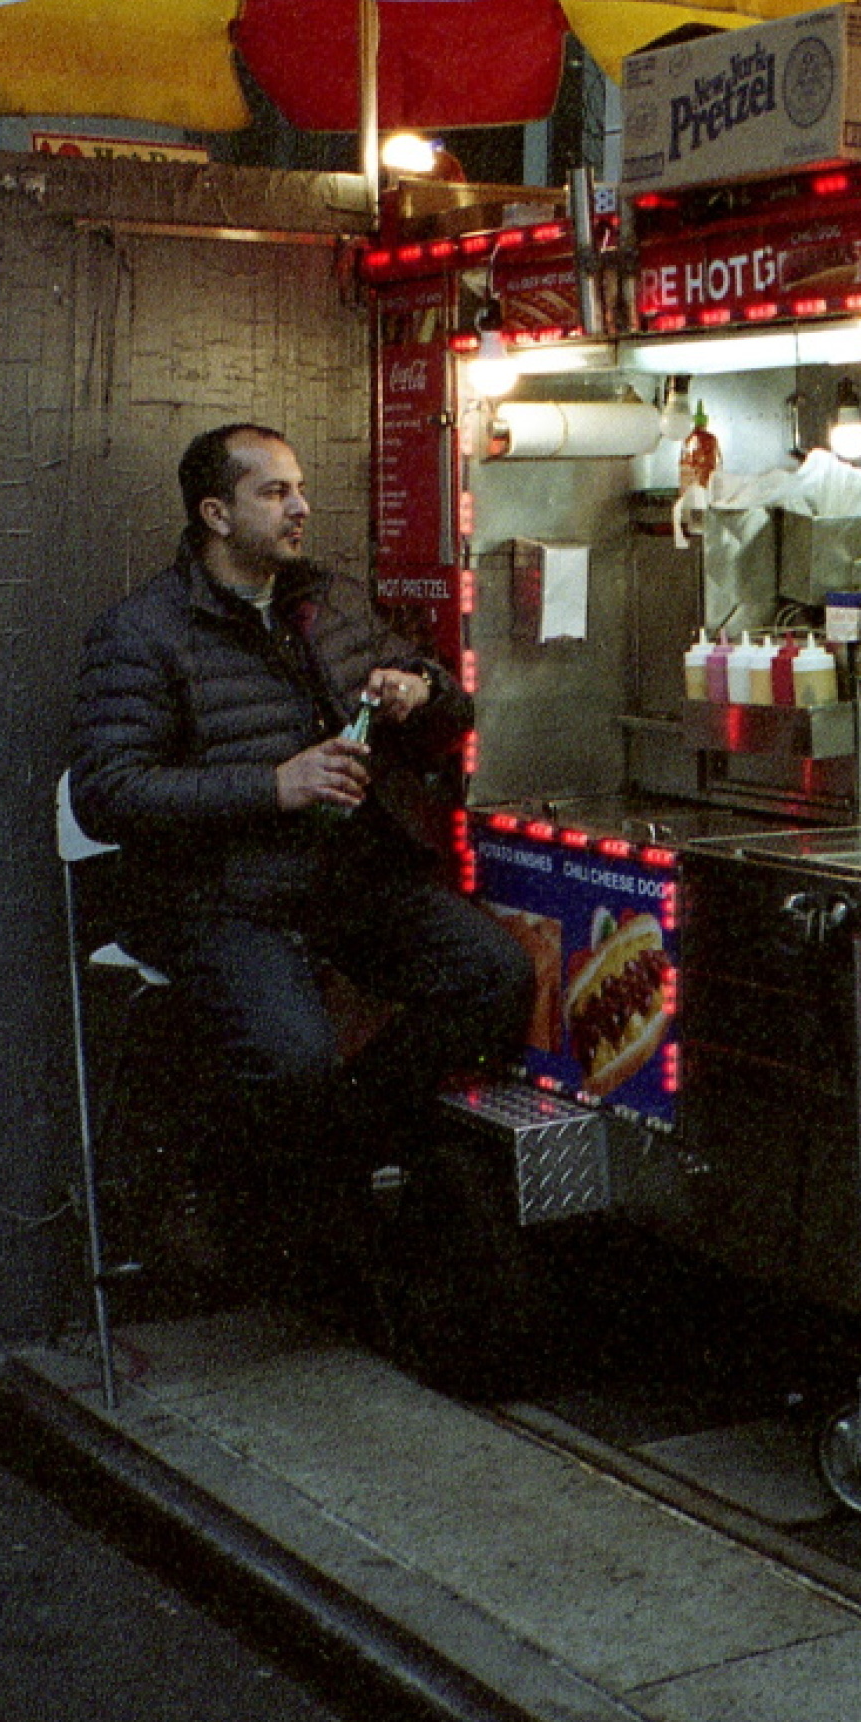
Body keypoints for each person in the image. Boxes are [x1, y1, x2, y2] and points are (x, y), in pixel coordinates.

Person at [69, 422, 533, 1322]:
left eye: (300, 487)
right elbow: (107, 791)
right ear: (215, 512)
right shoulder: (145, 631)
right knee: (291, 1062)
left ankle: (339, 1151)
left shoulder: (329, 601)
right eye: (275, 492)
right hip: (221, 897)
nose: (301, 507)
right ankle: (271, 1201)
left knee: (494, 976)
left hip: (348, 878)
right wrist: (272, 785)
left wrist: (421, 693)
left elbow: (451, 698)